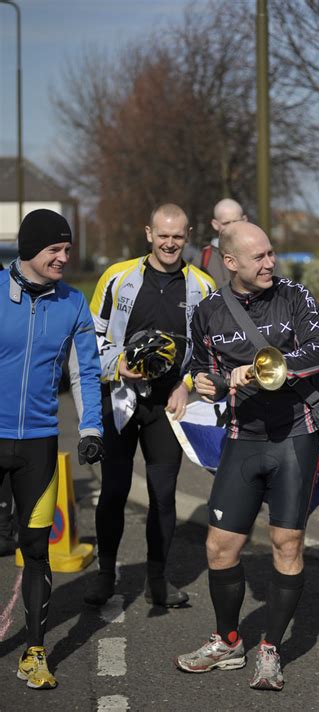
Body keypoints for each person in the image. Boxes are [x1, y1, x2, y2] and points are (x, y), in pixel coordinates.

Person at [176, 222, 319, 690]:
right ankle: (227, 641)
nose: (270, 263)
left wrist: (266, 369)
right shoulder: (207, 311)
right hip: (243, 439)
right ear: (231, 263)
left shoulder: (294, 296)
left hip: (294, 437)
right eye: (258, 257)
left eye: (270, 253)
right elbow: (202, 369)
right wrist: (206, 382)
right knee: (219, 547)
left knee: (286, 543)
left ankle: (270, 649)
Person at [84, 203, 216, 608]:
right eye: (163, 235)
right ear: (148, 234)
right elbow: (91, 337)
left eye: (177, 236)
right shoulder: (117, 277)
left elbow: (211, 350)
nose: (170, 243)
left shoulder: (203, 286)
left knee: (163, 495)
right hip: (120, 398)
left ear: (188, 235)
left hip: (166, 404)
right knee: (114, 491)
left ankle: (157, 579)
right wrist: (118, 365)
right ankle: (107, 576)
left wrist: (187, 384)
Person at [0, 209, 104, 690]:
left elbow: (84, 372)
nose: (64, 257)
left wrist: (91, 430)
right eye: (54, 250)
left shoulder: (73, 304)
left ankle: (35, 652)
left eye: (67, 249)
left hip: (39, 444)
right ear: (30, 251)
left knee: (36, 550)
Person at [198, 198, 248, 287]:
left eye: (236, 221)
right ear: (215, 224)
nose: (232, 227)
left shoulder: (262, 253)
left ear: (244, 220)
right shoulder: (202, 260)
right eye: (226, 223)